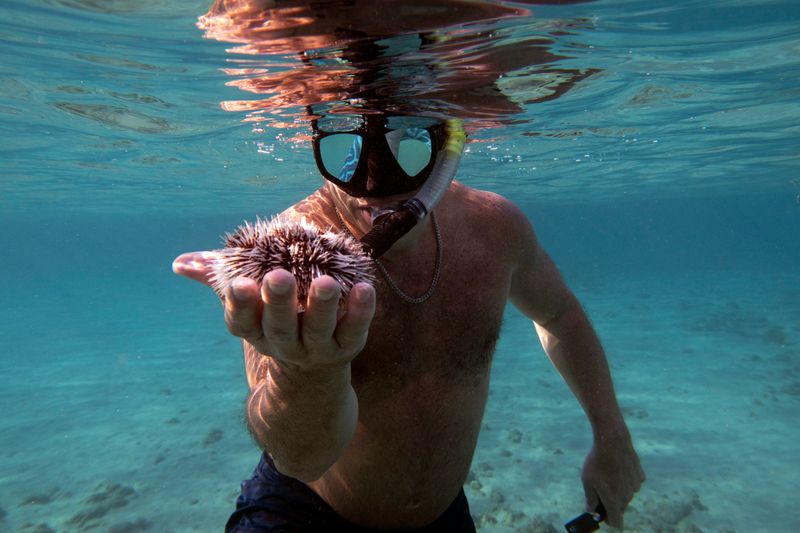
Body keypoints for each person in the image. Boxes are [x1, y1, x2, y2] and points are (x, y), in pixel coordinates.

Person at [173, 112, 645, 532]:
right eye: (348, 150)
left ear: (448, 144)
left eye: (411, 141)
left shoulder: (495, 227)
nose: (376, 183)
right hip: (301, 511)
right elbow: (300, 460)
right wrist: (307, 371)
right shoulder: (287, 261)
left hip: (444, 515)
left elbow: (560, 314)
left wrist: (612, 436)